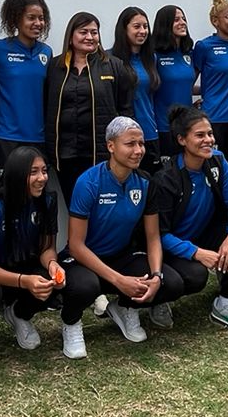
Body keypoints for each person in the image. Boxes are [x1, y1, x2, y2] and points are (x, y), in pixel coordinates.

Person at [60, 117, 187, 356]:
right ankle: (71, 322)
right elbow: (76, 246)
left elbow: (152, 237)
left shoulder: (145, 182)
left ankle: (123, 307)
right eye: (130, 144)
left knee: (172, 283)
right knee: (85, 288)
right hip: (84, 260)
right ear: (111, 146)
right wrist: (119, 281)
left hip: (121, 255)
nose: (138, 150)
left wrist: (157, 276)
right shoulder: (88, 182)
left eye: (141, 143)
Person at [151, 104, 228, 335]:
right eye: (200, 135)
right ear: (181, 140)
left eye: (210, 133)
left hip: (203, 234)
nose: (208, 140)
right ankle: (158, 300)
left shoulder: (218, 160)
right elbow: (160, 235)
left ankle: (225, 303)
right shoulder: (166, 178)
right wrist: (196, 253)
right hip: (171, 248)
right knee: (196, 276)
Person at [0, 146, 62, 360]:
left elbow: (46, 249)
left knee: (52, 281)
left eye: (44, 171)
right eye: (33, 172)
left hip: (24, 267)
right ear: (17, 175)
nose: (42, 178)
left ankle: (19, 315)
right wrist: (24, 281)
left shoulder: (48, 200)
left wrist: (53, 264)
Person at [45, 11, 133, 202]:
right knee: (75, 208)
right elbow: (46, 106)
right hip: (65, 156)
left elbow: (125, 109)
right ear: (71, 36)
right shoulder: (55, 67)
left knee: (101, 210)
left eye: (94, 32)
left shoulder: (113, 65)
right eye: (83, 32)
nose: (90, 37)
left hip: (100, 155)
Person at [0, 0, 52, 163]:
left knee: (35, 188)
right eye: (31, 18)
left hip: (38, 138)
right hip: (7, 137)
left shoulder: (46, 52)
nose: (38, 23)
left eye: (41, 18)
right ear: (16, 19)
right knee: (8, 189)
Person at [193, 0, 228, 161]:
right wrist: (204, 95)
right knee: (215, 167)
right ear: (216, 21)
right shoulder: (204, 46)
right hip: (215, 118)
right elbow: (190, 80)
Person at [113, 7, 161, 170]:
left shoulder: (151, 58)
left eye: (145, 26)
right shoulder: (111, 59)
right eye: (136, 26)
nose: (142, 31)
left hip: (149, 133)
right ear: (124, 29)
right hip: (124, 138)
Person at [152, 5, 197, 161]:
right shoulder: (155, 55)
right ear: (165, 24)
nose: (182, 22)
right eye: (176, 19)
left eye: (183, 18)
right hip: (164, 126)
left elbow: (186, 85)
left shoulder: (189, 54)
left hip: (187, 126)